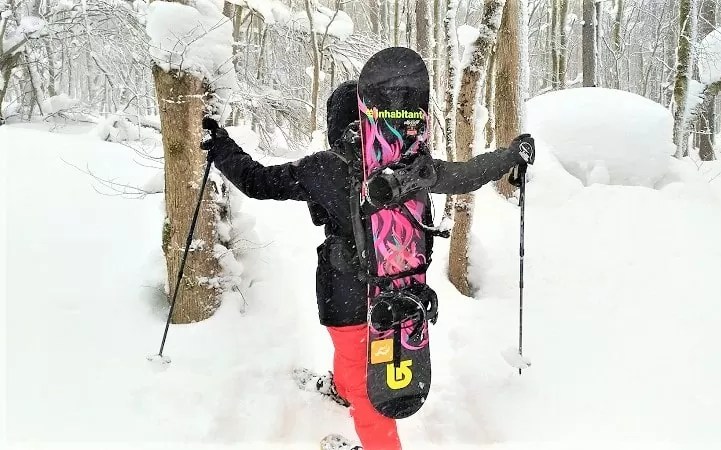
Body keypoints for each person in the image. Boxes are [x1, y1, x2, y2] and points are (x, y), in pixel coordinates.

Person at [202, 80, 535, 450]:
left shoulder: (322, 167)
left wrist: (219, 146)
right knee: (356, 362)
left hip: (343, 298)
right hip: (398, 294)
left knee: (367, 387)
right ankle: (341, 390)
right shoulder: (411, 167)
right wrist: (510, 156)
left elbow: (257, 181)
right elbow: (466, 175)